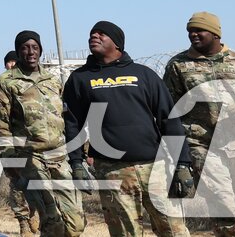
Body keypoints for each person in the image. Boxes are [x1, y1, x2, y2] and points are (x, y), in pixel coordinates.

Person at [63, 21, 193, 237]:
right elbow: (73, 124)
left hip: (155, 167)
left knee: (174, 230)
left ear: (117, 43)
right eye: (92, 34)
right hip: (112, 171)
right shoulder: (80, 79)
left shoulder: (143, 74)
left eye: (101, 33)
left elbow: (169, 119)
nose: (94, 36)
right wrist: (76, 162)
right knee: (125, 233)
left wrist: (183, 163)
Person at [163, 12, 235, 237]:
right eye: (190, 31)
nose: (193, 34)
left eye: (198, 30)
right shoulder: (179, 66)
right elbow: (170, 110)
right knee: (224, 205)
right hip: (202, 146)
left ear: (215, 33)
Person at [0, 32, 84, 237]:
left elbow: (67, 117)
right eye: (24, 47)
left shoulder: (52, 80)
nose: (30, 52)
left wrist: (81, 150)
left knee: (75, 224)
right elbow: (2, 125)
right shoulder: (6, 83)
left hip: (60, 156)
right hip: (31, 158)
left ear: (40, 49)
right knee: (52, 219)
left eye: (34, 47)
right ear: (18, 50)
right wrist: (10, 160)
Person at [0, 50, 35, 234]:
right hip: (8, 139)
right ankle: (22, 221)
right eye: (9, 62)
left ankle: (34, 212)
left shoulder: (27, 81)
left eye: (15, 62)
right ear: (5, 64)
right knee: (16, 180)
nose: (12, 65)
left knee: (37, 176)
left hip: (30, 138)